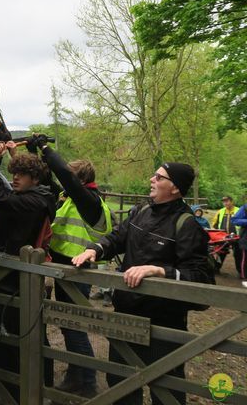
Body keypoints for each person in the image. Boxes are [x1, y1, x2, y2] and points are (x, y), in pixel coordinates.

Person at [72, 162, 214, 405]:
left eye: (159, 177)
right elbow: (117, 238)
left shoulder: (187, 224)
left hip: (163, 324)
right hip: (126, 316)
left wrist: (160, 271)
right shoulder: (141, 211)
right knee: (120, 384)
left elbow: (202, 278)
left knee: (166, 388)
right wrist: (94, 249)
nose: (152, 179)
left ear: (176, 189)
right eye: (155, 175)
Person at [28, 135, 113, 396]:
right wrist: (33, 153)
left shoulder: (90, 202)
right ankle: (76, 377)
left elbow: (63, 177)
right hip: (66, 269)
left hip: (79, 272)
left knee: (74, 329)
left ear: (79, 180)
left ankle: (87, 384)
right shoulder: (71, 199)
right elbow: (46, 180)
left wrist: (46, 149)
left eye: (71, 178)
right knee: (68, 326)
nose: (66, 182)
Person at [0, 145, 56, 398]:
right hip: (12, 277)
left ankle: (16, 393)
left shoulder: (34, 200)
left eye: (21, 174)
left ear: (35, 179)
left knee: (10, 339)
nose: (15, 178)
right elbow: (5, 194)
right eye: (14, 173)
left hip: (13, 280)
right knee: (16, 337)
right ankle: (27, 390)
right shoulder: (39, 195)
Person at [213, 195, 243, 280]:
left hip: (237, 237)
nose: (225, 203)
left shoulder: (239, 210)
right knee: (220, 253)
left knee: (238, 254)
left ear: (232, 201)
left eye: (227, 201)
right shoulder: (220, 211)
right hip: (223, 237)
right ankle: (216, 269)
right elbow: (215, 223)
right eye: (224, 201)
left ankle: (241, 272)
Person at [230, 204, 247, 286]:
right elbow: (234, 220)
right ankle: (244, 276)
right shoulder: (245, 207)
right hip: (245, 239)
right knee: (244, 258)